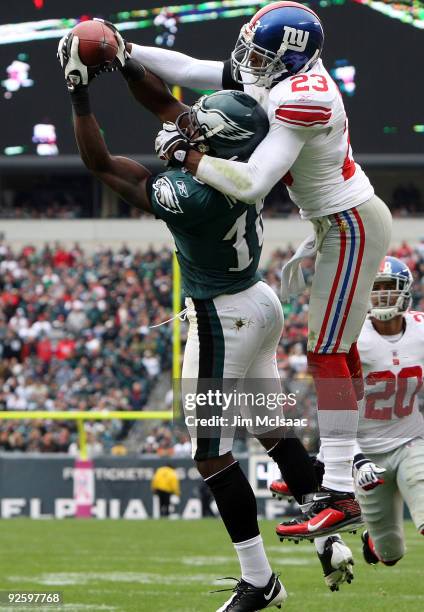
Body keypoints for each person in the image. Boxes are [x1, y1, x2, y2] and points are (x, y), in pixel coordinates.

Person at [57, 31, 327, 609]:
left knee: (209, 450)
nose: (188, 122)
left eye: (199, 125)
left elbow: (102, 164)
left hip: (222, 316)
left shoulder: (194, 194)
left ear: (216, 143)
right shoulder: (236, 163)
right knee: (267, 424)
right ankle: (326, 524)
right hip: (258, 301)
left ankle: (260, 578)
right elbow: (165, 106)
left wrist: (79, 96)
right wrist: (126, 63)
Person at [126, 0, 393, 540]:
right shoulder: (283, 74)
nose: (251, 62)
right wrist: (123, 49)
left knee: (327, 353)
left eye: (263, 55)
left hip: (350, 223)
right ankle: (347, 469)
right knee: (331, 351)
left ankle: (343, 483)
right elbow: (187, 67)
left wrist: (187, 157)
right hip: (332, 223)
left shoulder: (302, 95)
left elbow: (252, 183)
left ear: (292, 61)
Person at [355, 256, 424, 566]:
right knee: (390, 554)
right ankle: (373, 541)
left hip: (412, 441)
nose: (383, 294)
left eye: (389, 287)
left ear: (405, 291)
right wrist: (354, 456)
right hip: (368, 453)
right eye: (376, 287)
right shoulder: (351, 337)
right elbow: (331, 403)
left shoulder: (420, 330)